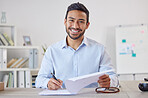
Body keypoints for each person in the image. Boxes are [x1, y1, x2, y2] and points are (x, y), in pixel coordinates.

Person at [35, 2, 118, 90]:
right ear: (65, 22)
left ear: (87, 25)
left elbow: (114, 78)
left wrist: (109, 82)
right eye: (71, 20)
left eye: (81, 21)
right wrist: (47, 83)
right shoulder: (52, 51)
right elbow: (40, 80)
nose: (75, 26)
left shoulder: (99, 50)